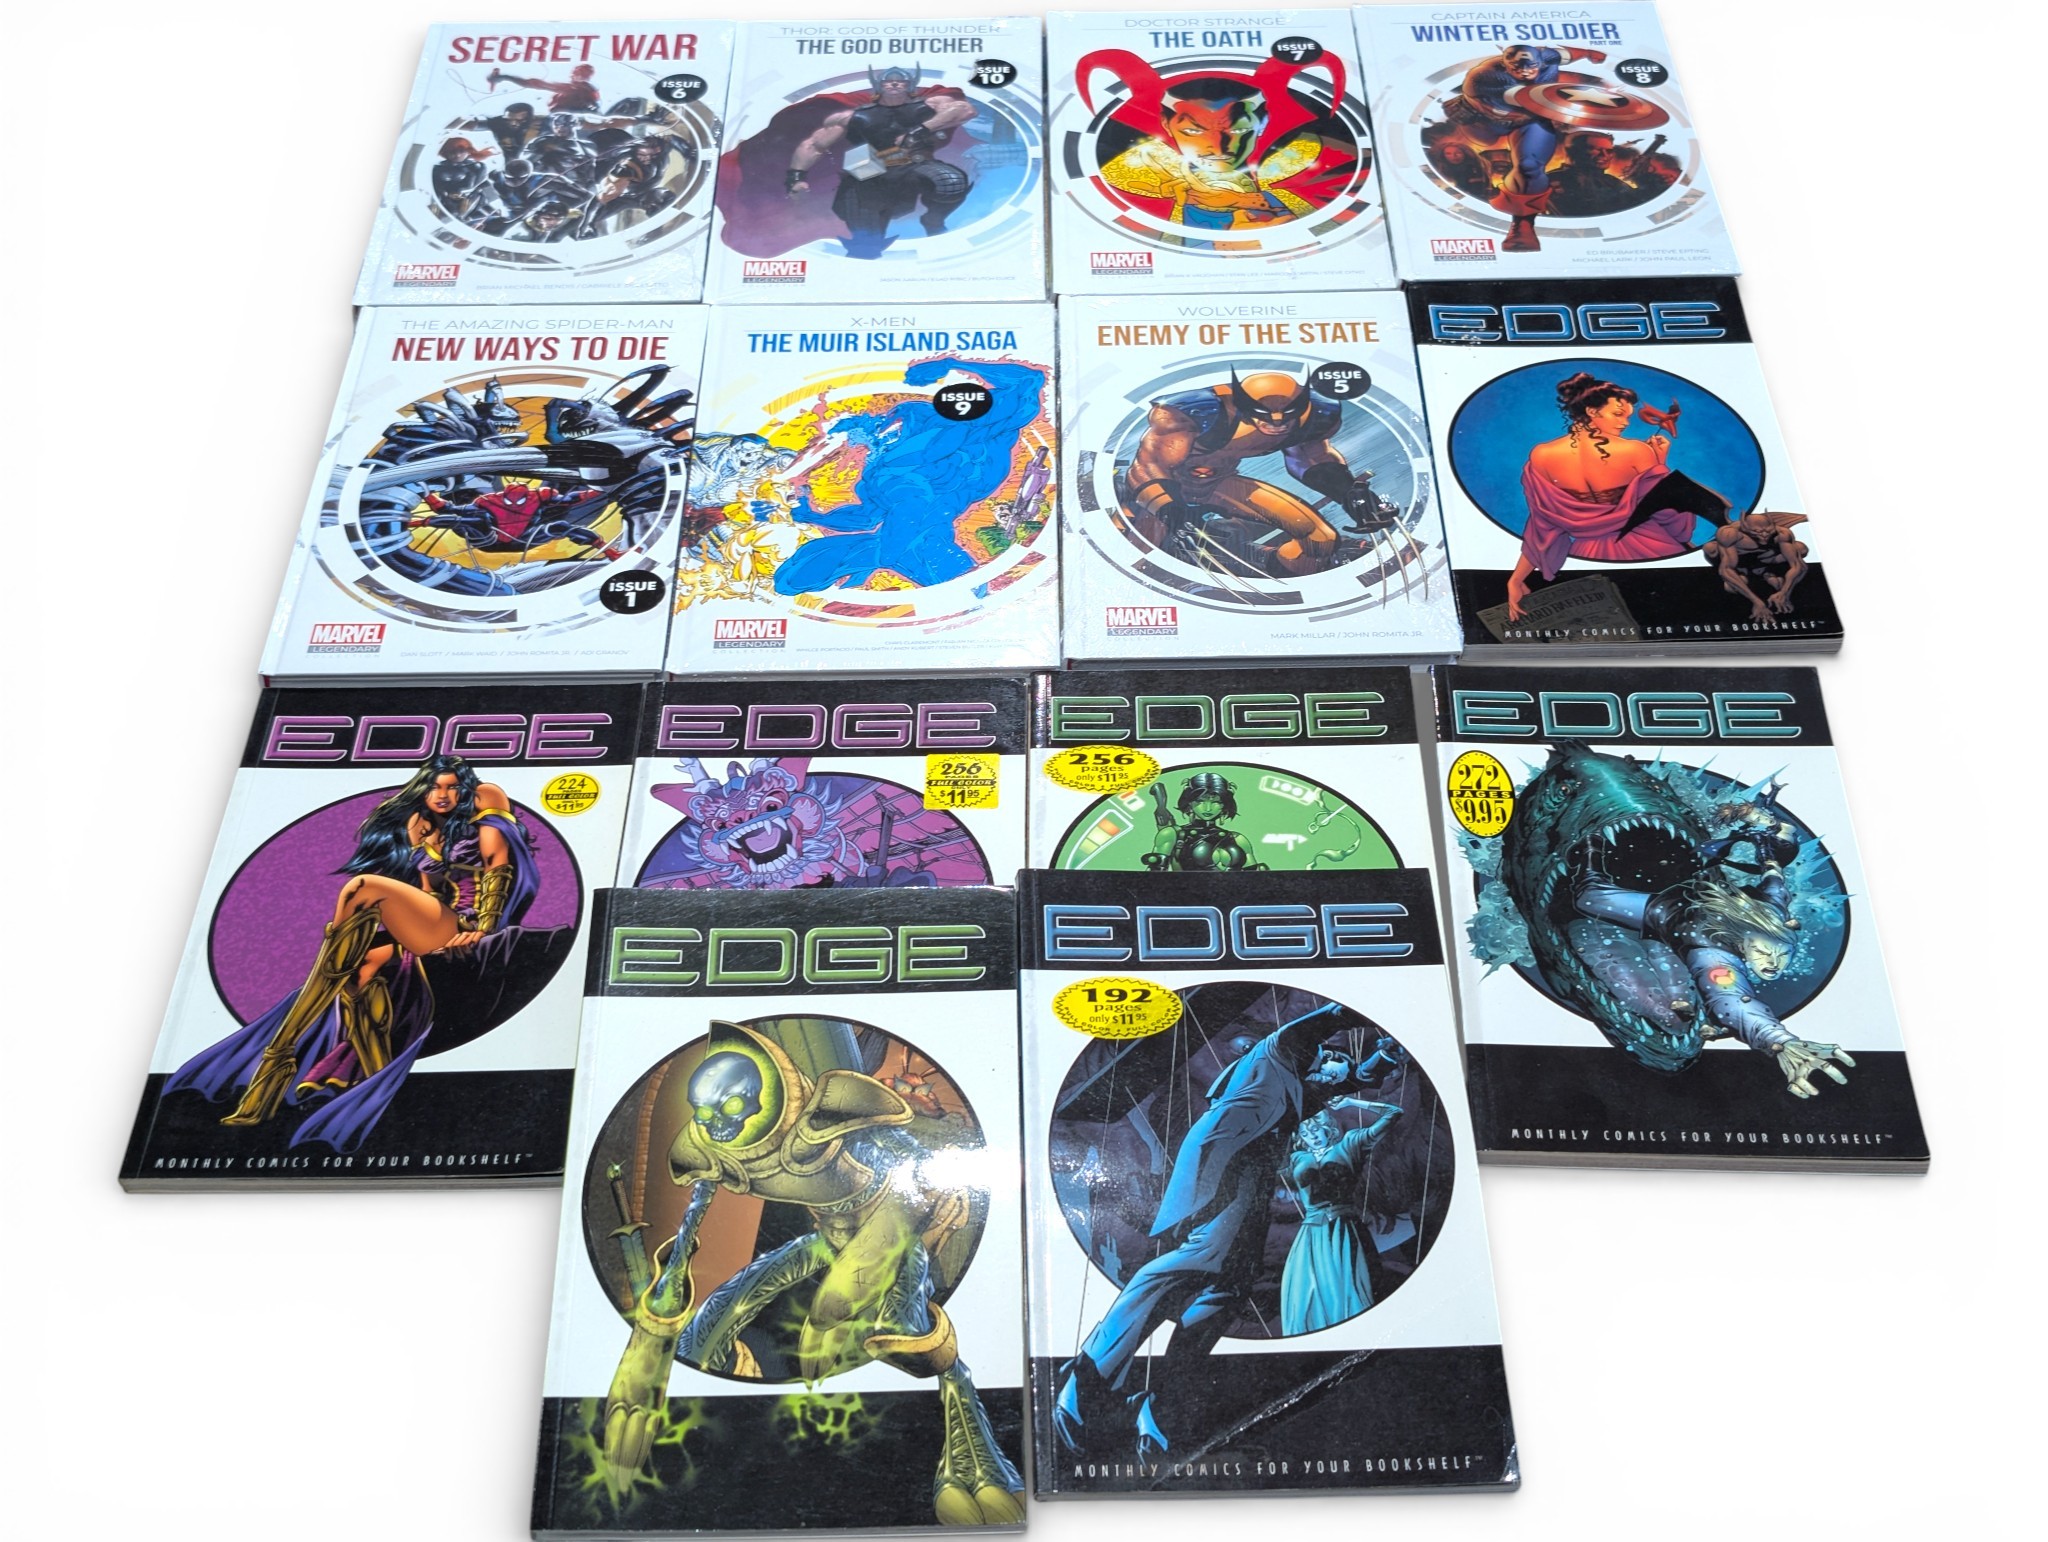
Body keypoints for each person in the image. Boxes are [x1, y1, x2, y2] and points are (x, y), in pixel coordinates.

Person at [164, 757, 539, 1151]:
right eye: (434, 787)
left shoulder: (486, 802)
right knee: (360, 973)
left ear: (465, 788)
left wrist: (484, 930)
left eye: (451, 786)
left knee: (362, 889)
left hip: (471, 925)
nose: (442, 795)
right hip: (436, 925)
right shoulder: (424, 826)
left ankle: (277, 1059)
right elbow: (432, 895)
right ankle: (376, 1091)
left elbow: (498, 866)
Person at [1053, 1001, 1362, 1458]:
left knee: (1228, 1290)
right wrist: (1340, 1015)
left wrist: (1371, 1065)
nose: (1338, 1066)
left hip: (1249, 1176)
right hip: (1226, 1169)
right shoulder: (1274, 1056)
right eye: (1334, 1058)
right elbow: (1308, 1031)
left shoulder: (1292, 1089)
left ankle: (1160, 1408)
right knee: (1197, 1261)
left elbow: (1344, 1083)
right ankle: (1089, 1377)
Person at [1506, 371, 1727, 620]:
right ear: (1591, 411)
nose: (1626, 423)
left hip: (1587, 556)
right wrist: (1659, 464)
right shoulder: (1636, 451)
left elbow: (1543, 526)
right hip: (1649, 547)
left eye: (1628, 416)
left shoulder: (1541, 454)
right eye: (1618, 414)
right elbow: (1670, 517)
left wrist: (1516, 579)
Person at [786, 64, 977, 259]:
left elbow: (965, 110)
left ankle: (933, 221)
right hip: (869, 168)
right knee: (866, 242)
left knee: (950, 182)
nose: (894, 83)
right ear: (878, 84)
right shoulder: (852, 117)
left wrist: (919, 130)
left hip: (914, 163)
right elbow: (814, 145)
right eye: (888, 80)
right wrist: (796, 178)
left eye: (900, 80)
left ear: (910, 84)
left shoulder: (931, 105)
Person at [1278, 1101, 1402, 1333]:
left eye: (1316, 1129)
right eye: (1305, 1133)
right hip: (1310, 1237)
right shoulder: (1297, 1159)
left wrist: (1351, 1102)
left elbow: (1393, 1113)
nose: (1312, 1136)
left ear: (1327, 1128)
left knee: (1350, 1289)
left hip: (1344, 1231)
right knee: (1305, 1298)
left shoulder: (1350, 1144)